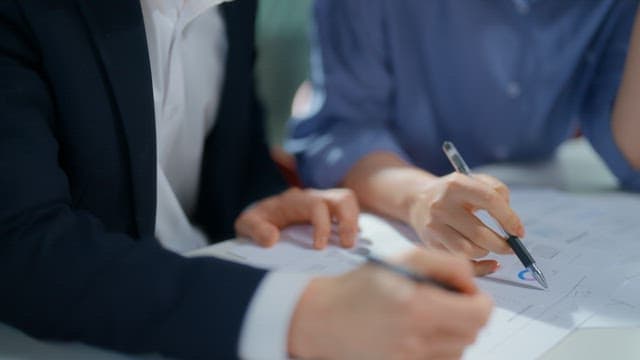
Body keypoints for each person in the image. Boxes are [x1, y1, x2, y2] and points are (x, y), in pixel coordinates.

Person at [0, 0, 492, 359]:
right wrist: (299, 315)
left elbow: (233, 162)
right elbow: (21, 249)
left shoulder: (231, 9)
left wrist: (265, 201)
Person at [289, 0, 640, 268]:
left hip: (547, 187)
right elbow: (343, 130)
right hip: (389, 198)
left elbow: (630, 150)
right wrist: (419, 196)